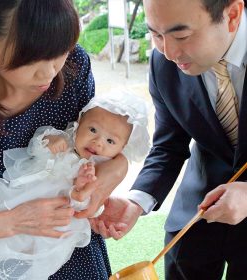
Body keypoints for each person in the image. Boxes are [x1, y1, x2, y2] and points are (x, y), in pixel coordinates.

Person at [0, 1, 129, 279]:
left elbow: (96, 138)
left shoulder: (74, 64)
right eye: (30, 59)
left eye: (60, 51)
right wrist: (16, 221)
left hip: (68, 229)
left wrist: (114, 169)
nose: (49, 72)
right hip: (7, 238)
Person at [90, 0, 247, 279]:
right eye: (155, 34)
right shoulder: (163, 62)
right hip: (199, 207)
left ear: (232, 15)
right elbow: (169, 144)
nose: (170, 52)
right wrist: (136, 202)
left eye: (181, 36)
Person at [0, 93, 150, 279]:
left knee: (25, 261)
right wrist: (48, 143)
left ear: (121, 148)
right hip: (17, 201)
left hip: (53, 227)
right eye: (93, 130)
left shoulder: (97, 172)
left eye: (110, 141)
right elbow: (34, 153)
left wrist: (80, 191)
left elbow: (86, 208)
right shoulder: (65, 141)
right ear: (80, 120)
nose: (98, 142)